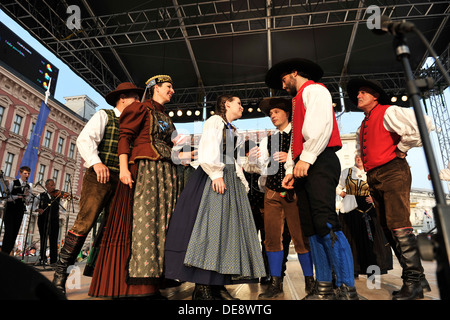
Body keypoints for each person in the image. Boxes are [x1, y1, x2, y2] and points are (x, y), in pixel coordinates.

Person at [88, 75, 193, 299]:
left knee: (163, 225)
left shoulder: (165, 116)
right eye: (168, 87)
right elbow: (125, 138)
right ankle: (141, 288)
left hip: (166, 174)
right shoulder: (140, 108)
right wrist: (124, 169)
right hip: (144, 170)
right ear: (155, 88)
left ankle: (156, 281)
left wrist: (184, 156)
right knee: (145, 224)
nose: (172, 91)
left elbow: (167, 146)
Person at [265, 58, 358, 300]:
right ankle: (324, 286)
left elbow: (320, 127)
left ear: (295, 72)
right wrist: (289, 171)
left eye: (284, 80)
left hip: (320, 159)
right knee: (312, 229)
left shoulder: (315, 89)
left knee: (326, 222)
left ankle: (347, 288)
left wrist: (306, 158)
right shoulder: (297, 101)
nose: (283, 86)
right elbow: (297, 139)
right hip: (304, 165)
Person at [164, 94, 267, 300]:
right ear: (227, 104)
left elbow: (235, 162)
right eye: (238, 103)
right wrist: (216, 174)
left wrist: (247, 168)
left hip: (228, 177)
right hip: (215, 178)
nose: (242, 106)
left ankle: (217, 284)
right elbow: (208, 150)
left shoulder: (231, 129)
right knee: (211, 231)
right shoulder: (215, 121)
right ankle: (202, 287)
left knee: (225, 234)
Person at [52, 82, 144, 294]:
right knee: (84, 223)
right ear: (122, 98)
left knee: (113, 229)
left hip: (122, 180)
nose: (138, 102)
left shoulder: (134, 125)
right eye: (134, 98)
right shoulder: (105, 116)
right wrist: (96, 162)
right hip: (98, 177)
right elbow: (85, 139)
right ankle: (60, 272)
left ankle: (104, 276)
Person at [347, 78, 434, 300]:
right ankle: (419, 279)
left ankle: (413, 282)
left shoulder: (388, 111)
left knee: (398, 224)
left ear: (375, 96)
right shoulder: (363, 124)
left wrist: (402, 149)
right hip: (375, 176)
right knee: (387, 227)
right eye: (358, 93)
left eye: (364, 92)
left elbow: (425, 123)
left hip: (393, 171)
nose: (358, 95)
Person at [252, 97, 314, 299]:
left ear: (287, 113)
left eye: (276, 112)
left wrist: (291, 158)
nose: (272, 116)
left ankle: (309, 281)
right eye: (270, 114)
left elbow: (309, 159)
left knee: (300, 237)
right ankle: (275, 282)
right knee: (271, 238)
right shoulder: (268, 139)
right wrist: (268, 160)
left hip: (293, 191)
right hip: (271, 191)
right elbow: (262, 167)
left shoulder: (300, 135)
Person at [336, 154, 393, 277]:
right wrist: (342, 193)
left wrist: (374, 198)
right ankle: (353, 269)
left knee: (371, 240)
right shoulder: (347, 172)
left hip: (370, 209)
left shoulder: (372, 172)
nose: (358, 158)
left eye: (361, 156)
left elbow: (380, 189)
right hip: (351, 210)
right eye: (356, 157)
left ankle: (373, 269)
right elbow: (337, 185)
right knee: (352, 239)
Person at [1, 166, 32, 256]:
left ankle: (8, 255)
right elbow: (7, 197)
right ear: (20, 173)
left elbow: (27, 203)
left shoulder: (28, 187)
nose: (27, 175)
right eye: (25, 173)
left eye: (28, 174)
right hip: (10, 211)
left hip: (20, 211)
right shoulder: (13, 183)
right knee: (8, 233)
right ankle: (4, 254)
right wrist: (17, 197)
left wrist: (26, 197)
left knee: (15, 233)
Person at [36, 179, 63, 265]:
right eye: (51, 185)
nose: (53, 187)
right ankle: (42, 259)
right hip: (43, 220)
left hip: (54, 221)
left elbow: (63, 209)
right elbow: (32, 206)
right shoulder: (41, 196)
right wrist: (37, 209)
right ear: (47, 186)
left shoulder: (57, 196)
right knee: (43, 239)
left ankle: (53, 260)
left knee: (54, 240)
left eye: (54, 185)